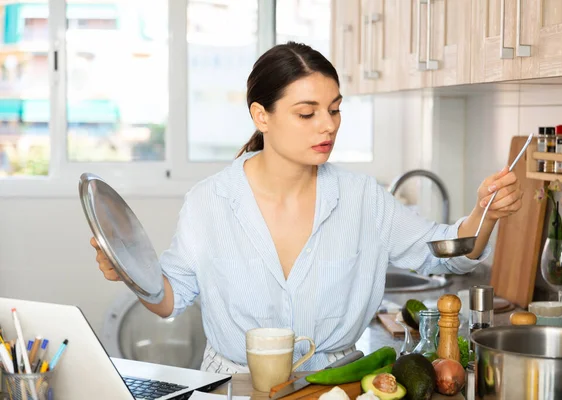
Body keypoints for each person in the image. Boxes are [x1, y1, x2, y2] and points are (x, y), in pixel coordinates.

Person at [92, 42, 523, 373]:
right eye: (307, 113)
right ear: (261, 115)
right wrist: (131, 270)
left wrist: (485, 213)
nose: (328, 125)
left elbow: (447, 253)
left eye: (335, 110)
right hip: (239, 388)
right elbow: (170, 298)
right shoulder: (209, 202)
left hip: (338, 385)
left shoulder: (362, 199)